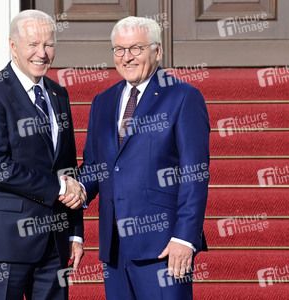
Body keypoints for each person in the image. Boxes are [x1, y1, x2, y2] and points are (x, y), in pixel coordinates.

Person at [78, 16, 210, 299]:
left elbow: (194, 173)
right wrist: (71, 189)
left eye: (136, 48)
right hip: (114, 248)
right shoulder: (102, 102)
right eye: (119, 50)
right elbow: (94, 167)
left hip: (163, 246)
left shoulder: (184, 97)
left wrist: (185, 237)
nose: (127, 57)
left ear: (157, 51)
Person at [0, 10, 86, 300]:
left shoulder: (58, 94)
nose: (42, 53)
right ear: (13, 44)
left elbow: (67, 166)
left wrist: (74, 233)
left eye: (49, 44)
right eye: (32, 44)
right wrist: (58, 188)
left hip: (54, 247)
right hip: (3, 244)